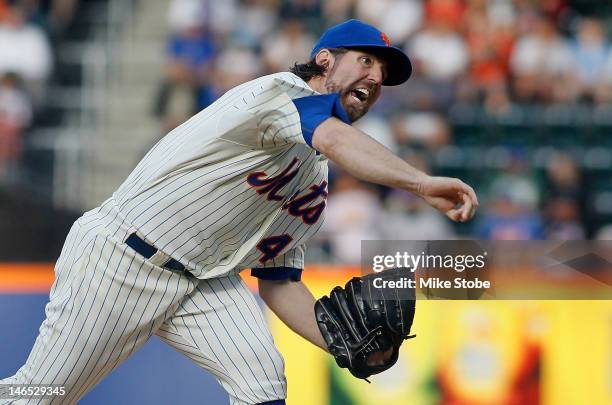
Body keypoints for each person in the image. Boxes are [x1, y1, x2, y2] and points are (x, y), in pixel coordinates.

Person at [0, 19, 478, 405]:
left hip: (204, 280)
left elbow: (278, 278)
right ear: (325, 59)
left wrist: (346, 345)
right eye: (366, 60)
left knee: (263, 382)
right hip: (122, 259)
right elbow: (331, 135)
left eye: (384, 75)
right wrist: (420, 181)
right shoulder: (279, 94)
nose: (375, 78)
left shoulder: (314, 176)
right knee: (39, 394)